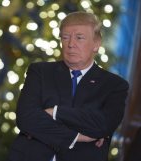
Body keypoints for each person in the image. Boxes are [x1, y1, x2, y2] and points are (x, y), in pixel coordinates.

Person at [8, 11, 129, 161]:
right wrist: (77, 136)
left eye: (79, 38)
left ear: (96, 44)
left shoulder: (114, 85)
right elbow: (26, 118)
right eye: (65, 37)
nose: (71, 44)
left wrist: (55, 112)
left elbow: (103, 124)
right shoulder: (40, 71)